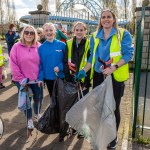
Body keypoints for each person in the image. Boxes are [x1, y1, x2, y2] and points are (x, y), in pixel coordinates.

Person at [75, 9, 134, 149]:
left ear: (113, 19)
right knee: (99, 108)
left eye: (109, 17)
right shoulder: (94, 36)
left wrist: (113, 67)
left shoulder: (123, 34)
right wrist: (83, 71)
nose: (106, 19)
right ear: (100, 20)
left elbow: (128, 54)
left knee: (113, 108)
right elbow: (92, 58)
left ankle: (113, 138)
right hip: (98, 76)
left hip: (115, 77)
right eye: (103, 17)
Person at [10, 25, 43, 130]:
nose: (29, 34)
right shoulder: (16, 46)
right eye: (26, 32)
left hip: (37, 80)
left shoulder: (39, 46)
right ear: (23, 33)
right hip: (22, 81)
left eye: (31, 33)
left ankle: (37, 114)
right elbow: (13, 64)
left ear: (35, 35)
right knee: (27, 101)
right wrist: (21, 79)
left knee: (38, 98)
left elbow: (43, 63)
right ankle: (29, 119)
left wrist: (41, 78)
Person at [63, 21, 91, 138]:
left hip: (84, 78)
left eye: (81, 30)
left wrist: (83, 72)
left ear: (85, 31)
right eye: (77, 30)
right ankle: (74, 127)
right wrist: (69, 76)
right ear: (73, 31)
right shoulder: (68, 43)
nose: (79, 32)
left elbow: (91, 60)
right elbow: (65, 60)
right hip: (71, 79)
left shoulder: (89, 44)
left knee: (83, 104)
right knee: (73, 105)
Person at [38, 23, 66, 97]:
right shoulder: (41, 48)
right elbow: (40, 64)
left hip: (61, 77)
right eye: (46, 30)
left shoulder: (62, 45)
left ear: (55, 31)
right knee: (53, 98)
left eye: (51, 30)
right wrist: (41, 78)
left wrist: (60, 67)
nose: (49, 32)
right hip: (49, 78)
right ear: (44, 32)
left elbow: (66, 61)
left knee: (62, 99)